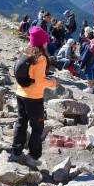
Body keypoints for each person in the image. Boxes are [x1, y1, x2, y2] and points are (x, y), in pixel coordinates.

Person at [10, 26, 60, 167]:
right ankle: (33, 157)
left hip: (21, 94)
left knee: (21, 122)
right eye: (45, 39)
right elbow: (40, 81)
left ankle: (16, 152)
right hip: (34, 98)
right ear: (42, 42)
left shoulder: (28, 52)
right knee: (37, 127)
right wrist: (53, 82)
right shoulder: (41, 58)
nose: (47, 41)